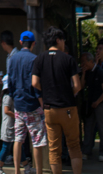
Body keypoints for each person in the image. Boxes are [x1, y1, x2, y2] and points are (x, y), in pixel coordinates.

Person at [31, 26, 82, 174]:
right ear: (58, 40)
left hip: (49, 109)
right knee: (73, 145)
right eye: (63, 40)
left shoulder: (39, 59)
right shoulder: (68, 59)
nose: (64, 43)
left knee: (54, 149)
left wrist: (48, 92)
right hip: (68, 108)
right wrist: (68, 93)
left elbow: (34, 83)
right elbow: (77, 85)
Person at [8, 31, 46, 174]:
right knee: (37, 141)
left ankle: (17, 171)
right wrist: (41, 102)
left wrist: (13, 96)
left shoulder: (13, 59)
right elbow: (36, 84)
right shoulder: (35, 59)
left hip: (18, 104)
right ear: (33, 43)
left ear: (20, 42)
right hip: (33, 104)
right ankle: (39, 171)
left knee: (18, 139)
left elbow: (10, 82)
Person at [80, 51, 103, 160]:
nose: (82, 64)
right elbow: (81, 86)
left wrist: (97, 102)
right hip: (91, 104)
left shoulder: (100, 72)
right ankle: (86, 151)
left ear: (90, 61)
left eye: (84, 62)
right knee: (88, 127)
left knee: (102, 128)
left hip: (101, 104)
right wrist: (83, 74)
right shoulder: (87, 73)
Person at [0, 93, 15, 174]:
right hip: (8, 126)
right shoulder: (8, 97)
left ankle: (26, 166)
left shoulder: (12, 95)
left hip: (14, 125)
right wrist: (19, 116)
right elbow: (6, 110)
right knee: (6, 147)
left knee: (20, 147)